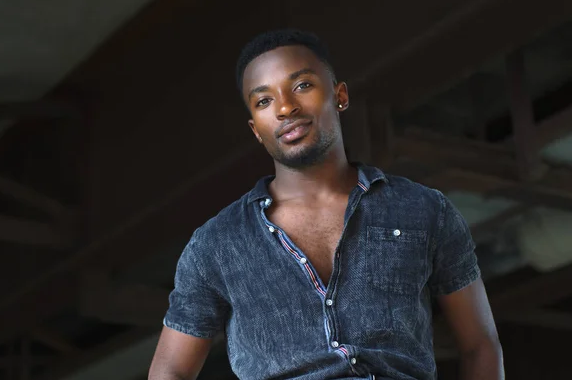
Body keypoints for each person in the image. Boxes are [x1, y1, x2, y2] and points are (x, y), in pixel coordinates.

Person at [148, 29, 504, 380]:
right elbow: (171, 370)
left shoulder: (424, 210)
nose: (286, 107)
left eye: (302, 85)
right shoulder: (216, 244)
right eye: (264, 101)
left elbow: (481, 345)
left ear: (340, 95)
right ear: (256, 129)